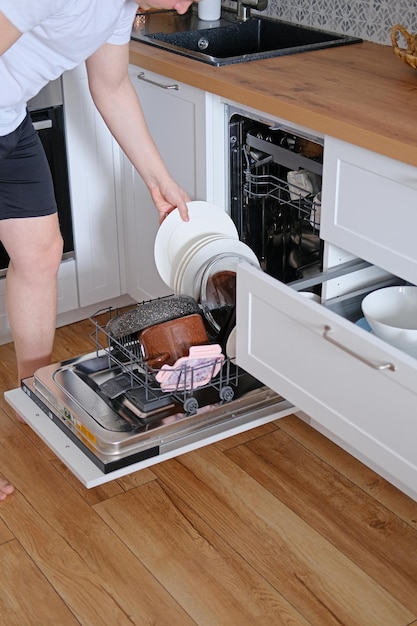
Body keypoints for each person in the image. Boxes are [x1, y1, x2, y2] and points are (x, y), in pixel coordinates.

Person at [0, 0, 194, 499]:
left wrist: (160, 181)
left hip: (6, 120)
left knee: (41, 252)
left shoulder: (119, 8)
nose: (181, 6)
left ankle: (34, 397)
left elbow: (110, 85)